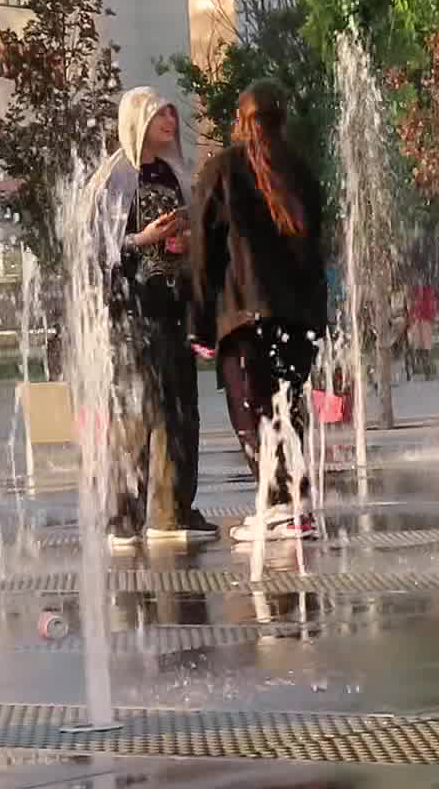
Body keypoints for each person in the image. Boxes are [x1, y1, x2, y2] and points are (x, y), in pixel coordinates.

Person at [190, 80, 328, 544]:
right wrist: (317, 319)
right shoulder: (301, 172)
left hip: (245, 316)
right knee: (287, 409)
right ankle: (296, 505)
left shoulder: (224, 170)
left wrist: (199, 322)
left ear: (240, 120)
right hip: (297, 318)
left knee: (252, 414)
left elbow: (203, 252)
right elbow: (315, 254)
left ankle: (279, 506)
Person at [90, 87, 215, 549]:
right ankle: (124, 514)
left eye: (170, 113)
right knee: (137, 410)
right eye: (159, 113)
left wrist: (183, 241)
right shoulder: (114, 178)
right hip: (131, 311)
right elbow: (95, 246)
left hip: (172, 307)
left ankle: (172, 509)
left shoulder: (175, 173)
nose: (169, 120)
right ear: (136, 120)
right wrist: (143, 239)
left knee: (180, 408)